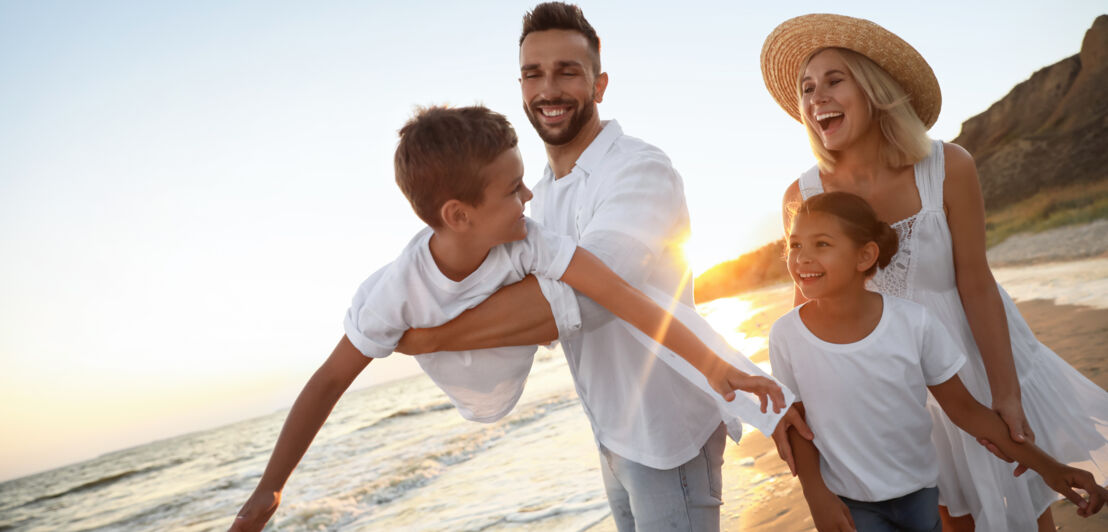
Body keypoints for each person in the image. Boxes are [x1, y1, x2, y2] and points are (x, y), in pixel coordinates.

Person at [227, 105, 788, 531]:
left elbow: (619, 295)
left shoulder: (526, 240)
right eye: (511, 188)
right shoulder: (392, 295)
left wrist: (716, 368)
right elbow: (329, 380)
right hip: (476, 397)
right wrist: (270, 489)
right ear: (458, 215)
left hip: (583, 397)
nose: (528, 193)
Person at [393, 3, 811, 530]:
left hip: (666, 433)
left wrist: (431, 337)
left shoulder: (638, 170)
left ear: (599, 83)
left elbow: (581, 300)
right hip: (609, 431)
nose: (548, 89)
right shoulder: (535, 197)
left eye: (567, 71)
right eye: (533, 73)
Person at [760, 13, 1108, 531]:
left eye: (835, 80)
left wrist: (1005, 393)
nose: (816, 99)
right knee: (949, 518)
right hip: (894, 383)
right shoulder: (804, 195)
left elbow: (975, 282)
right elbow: (812, 317)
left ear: (874, 89)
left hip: (979, 355)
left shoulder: (948, 165)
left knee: (1029, 514)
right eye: (807, 89)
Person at [771, 191, 1107, 531]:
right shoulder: (786, 336)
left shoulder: (913, 323)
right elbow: (797, 425)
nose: (802, 258)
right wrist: (815, 494)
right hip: (849, 501)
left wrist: (1050, 467)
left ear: (865, 256)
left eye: (822, 244)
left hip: (921, 492)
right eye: (795, 245)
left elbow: (965, 409)